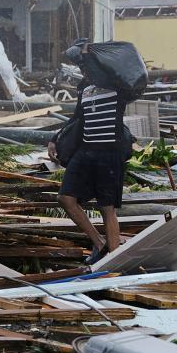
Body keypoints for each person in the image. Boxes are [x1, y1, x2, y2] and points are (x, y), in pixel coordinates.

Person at [48, 44, 130, 264]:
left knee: (107, 207)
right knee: (66, 198)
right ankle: (99, 243)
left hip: (108, 154)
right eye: (82, 67)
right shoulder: (85, 89)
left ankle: (113, 260)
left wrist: (89, 52)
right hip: (85, 152)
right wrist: (55, 139)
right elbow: (76, 119)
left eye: (88, 66)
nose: (85, 71)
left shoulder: (116, 88)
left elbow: (133, 79)